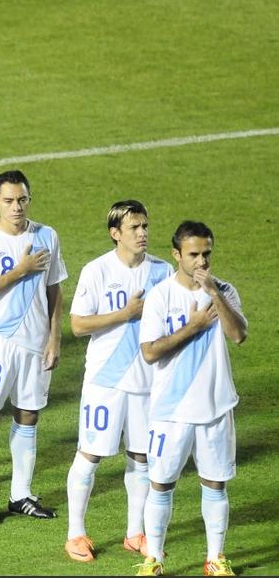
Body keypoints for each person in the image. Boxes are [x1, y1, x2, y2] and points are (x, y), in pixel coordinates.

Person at [63, 200, 173, 563]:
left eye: (145, 226)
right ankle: (75, 534)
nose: (142, 233)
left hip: (146, 381)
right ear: (115, 234)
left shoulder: (162, 270)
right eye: (134, 228)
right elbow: (78, 325)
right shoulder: (96, 271)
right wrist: (124, 314)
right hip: (105, 380)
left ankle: (134, 532)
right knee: (91, 453)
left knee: (142, 457)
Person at [134, 221, 246, 577]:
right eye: (194, 254)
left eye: (206, 254)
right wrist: (194, 327)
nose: (202, 261)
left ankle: (215, 558)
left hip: (215, 406)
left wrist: (213, 292)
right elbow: (150, 352)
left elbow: (238, 335)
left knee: (215, 483)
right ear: (176, 255)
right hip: (171, 410)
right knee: (161, 484)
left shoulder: (224, 289)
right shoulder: (160, 296)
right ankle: (154, 558)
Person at [0, 169, 67, 525]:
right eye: (8, 200)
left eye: (22, 199)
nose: (16, 207)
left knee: (28, 415)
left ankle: (20, 494)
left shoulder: (47, 236)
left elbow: (54, 289)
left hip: (35, 342)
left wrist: (55, 337)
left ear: (29, 199)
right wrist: (20, 270)